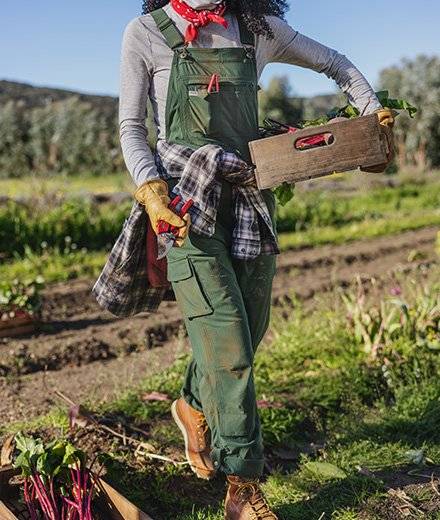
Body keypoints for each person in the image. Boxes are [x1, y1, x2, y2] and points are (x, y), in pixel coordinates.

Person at [117, 1, 394, 517]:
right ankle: (243, 485)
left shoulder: (258, 28)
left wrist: (369, 111)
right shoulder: (145, 33)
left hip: (249, 200)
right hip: (184, 203)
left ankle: (194, 404)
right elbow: (132, 124)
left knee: (250, 327)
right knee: (225, 335)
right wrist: (150, 189)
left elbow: (335, 62)